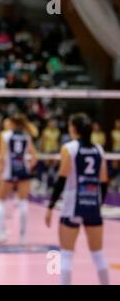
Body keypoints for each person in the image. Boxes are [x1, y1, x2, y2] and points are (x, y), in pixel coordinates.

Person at [45, 113, 109, 285]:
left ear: (73, 128)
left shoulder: (69, 148)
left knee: (66, 254)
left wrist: (50, 206)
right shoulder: (99, 149)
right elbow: (104, 181)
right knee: (98, 254)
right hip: (93, 206)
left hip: (72, 206)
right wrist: (98, 205)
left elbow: (61, 179)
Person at [0, 113, 38, 245]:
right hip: (24, 171)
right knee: (23, 202)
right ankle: (23, 237)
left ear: (12, 123)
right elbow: (34, 158)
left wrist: (0, 173)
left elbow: (2, 157)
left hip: (9, 172)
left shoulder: (5, 135)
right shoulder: (26, 136)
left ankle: (1, 233)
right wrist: (27, 167)